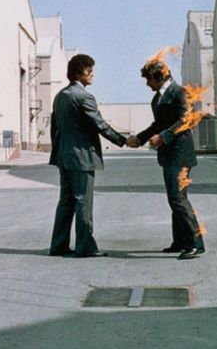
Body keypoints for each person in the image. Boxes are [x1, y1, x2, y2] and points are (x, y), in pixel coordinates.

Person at [49, 54, 126, 257]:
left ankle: (58, 245)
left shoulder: (60, 96)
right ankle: (85, 247)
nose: (92, 73)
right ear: (77, 73)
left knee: (66, 201)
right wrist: (123, 140)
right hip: (81, 156)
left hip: (64, 156)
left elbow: (54, 127)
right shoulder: (84, 97)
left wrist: (59, 150)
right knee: (83, 200)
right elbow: (99, 124)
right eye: (88, 70)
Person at [126, 61, 205, 260]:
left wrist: (164, 137)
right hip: (169, 155)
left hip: (180, 154)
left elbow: (186, 120)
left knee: (178, 199)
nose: (147, 84)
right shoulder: (157, 99)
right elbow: (157, 124)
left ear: (159, 77)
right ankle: (180, 242)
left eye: (148, 79)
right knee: (174, 199)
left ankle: (195, 243)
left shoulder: (180, 93)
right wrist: (140, 138)